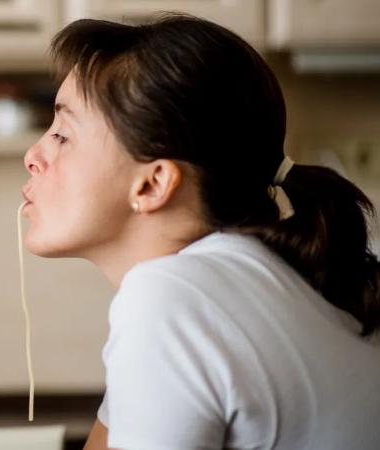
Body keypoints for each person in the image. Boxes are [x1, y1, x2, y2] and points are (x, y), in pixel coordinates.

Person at [21, 15, 380, 450]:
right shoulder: (234, 281)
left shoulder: (170, 302)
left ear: (153, 184)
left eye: (62, 135)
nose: (32, 155)